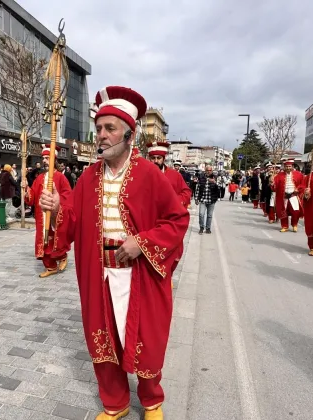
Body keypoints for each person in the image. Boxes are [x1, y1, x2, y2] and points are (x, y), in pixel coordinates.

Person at [39, 86, 189, 420]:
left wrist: (143, 242)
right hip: (98, 274)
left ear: (129, 135)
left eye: (110, 129)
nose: (102, 136)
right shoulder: (88, 177)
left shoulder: (150, 174)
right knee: (102, 338)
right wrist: (58, 209)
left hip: (140, 275)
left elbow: (177, 219)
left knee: (146, 339)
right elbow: (74, 221)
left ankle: (151, 401)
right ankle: (115, 402)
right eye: (99, 129)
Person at [23, 146, 72, 278]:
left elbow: (68, 196)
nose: (44, 161)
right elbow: (32, 197)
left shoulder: (61, 178)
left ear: (54, 159)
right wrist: (26, 189)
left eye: (47, 158)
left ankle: (62, 256)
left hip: (56, 216)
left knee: (57, 240)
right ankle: (51, 267)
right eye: (43, 158)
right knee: (44, 242)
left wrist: (58, 205)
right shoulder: (39, 178)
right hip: (42, 216)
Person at [146, 141, 192, 209]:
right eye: (153, 158)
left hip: (169, 214)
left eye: (159, 158)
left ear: (163, 159)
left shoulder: (175, 175)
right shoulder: (144, 175)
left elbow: (186, 192)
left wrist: (176, 201)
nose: (155, 161)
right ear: (149, 159)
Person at [273, 159, 305, 232]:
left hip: (294, 196)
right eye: (286, 166)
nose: (288, 168)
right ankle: (284, 226)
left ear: (292, 166)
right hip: (284, 196)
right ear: (284, 167)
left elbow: (302, 185)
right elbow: (275, 187)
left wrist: (298, 189)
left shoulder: (298, 174)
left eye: (289, 166)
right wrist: (272, 183)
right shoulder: (279, 175)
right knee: (283, 212)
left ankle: (294, 225)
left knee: (296, 211)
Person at [195, 168, 220, 235]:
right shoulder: (201, 178)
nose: (208, 172)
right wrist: (196, 198)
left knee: (209, 215)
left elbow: (219, 189)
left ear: (211, 171)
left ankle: (208, 228)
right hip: (203, 199)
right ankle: (201, 227)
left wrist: (215, 183)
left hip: (211, 200)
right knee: (201, 214)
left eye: (210, 170)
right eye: (207, 170)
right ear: (205, 171)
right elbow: (198, 188)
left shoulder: (215, 178)